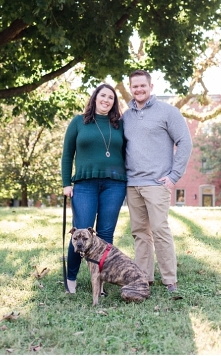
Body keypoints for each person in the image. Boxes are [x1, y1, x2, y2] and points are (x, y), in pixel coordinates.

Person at [122, 69, 192, 293]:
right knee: (140, 232)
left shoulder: (168, 112)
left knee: (160, 230)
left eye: (143, 85)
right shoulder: (126, 116)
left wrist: (174, 176)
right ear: (130, 88)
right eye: (135, 86)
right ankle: (144, 278)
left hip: (157, 183)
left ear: (151, 87)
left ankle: (170, 280)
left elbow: (185, 142)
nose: (139, 89)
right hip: (132, 183)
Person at [61, 83, 127, 294]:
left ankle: (101, 282)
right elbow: (67, 155)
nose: (106, 100)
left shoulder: (119, 125)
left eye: (111, 98)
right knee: (81, 230)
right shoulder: (78, 122)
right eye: (103, 96)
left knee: (106, 235)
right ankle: (71, 277)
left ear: (114, 102)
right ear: (95, 98)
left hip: (114, 185)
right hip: (85, 184)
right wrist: (65, 183)